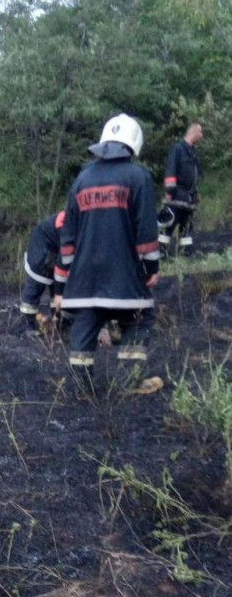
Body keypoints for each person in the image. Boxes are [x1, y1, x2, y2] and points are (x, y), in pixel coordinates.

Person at [59, 114, 160, 391]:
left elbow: (67, 234)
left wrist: (68, 273)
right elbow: (146, 232)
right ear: (133, 143)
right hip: (123, 276)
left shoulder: (82, 179)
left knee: (86, 320)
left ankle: (79, 386)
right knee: (139, 317)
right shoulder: (138, 177)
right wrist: (151, 269)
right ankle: (129, 380)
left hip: (84, 278)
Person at [158, 121, 203, 257]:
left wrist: (195, 194)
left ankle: (186, 252)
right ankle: (161, 252)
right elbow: (171, 170)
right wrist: (169, 191)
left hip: (188, 198)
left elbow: (194, 175)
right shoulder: (178, 150)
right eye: (200, 132)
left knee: (186, 226)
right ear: (194, 132)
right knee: (169, 223)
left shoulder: (192, 152)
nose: (202, 135)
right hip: (176, 196)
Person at [20, 211, 67, 331]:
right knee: (35, 287)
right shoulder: (67, 222)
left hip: (55, 250)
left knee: (58, 287)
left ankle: (59, 322)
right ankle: (27, 324)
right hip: (42, 250)